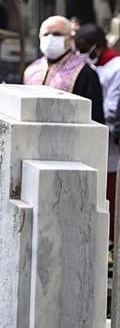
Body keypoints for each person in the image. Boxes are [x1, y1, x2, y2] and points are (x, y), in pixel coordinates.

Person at [74, 23, 120, 241]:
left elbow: (113, 106)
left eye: (83, 48)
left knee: (109, 191)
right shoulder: (87, 66)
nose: (80, 53)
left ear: (98, 46)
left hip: (109, 140)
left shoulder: (116, 67)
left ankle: (110, 239)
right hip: (89, 134)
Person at [23, 15, 104, 123]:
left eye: (57, 34)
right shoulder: (32, 70)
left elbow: (95, 118)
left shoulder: (85, 73)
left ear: (70, 38)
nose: (50, 38)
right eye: (46, 34)